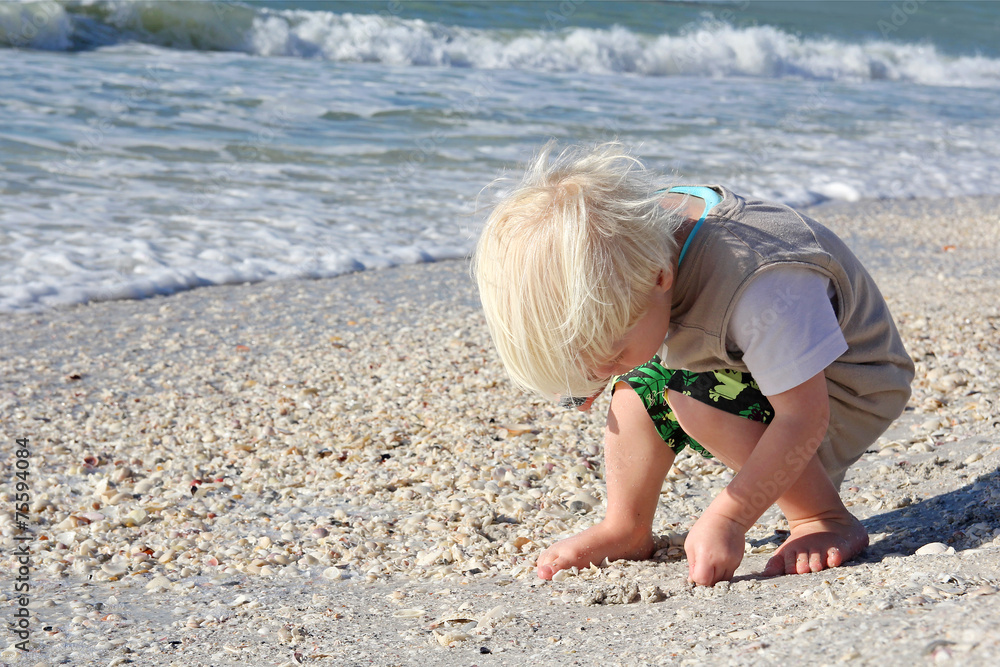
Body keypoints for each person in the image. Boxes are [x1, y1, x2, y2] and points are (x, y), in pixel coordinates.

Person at [472, 142, 914, 586]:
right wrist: (588, 371)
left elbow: (804, 416)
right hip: (759, 367)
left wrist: (731, 517)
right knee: (643, 381)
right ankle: (626, 526)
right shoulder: (636, 237)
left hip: (844, 391)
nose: (598, 372)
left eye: (605, 354)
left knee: (694, 397)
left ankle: (821, 516)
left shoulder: (761, 284)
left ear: (660, 278)